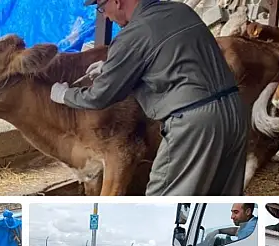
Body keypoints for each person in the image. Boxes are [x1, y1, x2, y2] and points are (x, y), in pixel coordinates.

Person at [50, 0, 249, 196]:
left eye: (101, 7)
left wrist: (64, 95)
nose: (103, 15)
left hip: (196, 123)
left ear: (117, 2)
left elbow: (99, 97)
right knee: (222, 194)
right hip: (235, 111)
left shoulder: (134, 33)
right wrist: (111, 68)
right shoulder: (180, 11)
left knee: (162, 198)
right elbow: (168, 56)